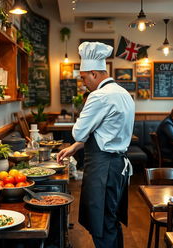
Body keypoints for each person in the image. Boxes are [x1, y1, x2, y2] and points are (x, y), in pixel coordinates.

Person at [57, 41, 135, 248]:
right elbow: (107, 133)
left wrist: (77, 138)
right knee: (110, 221)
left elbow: (78, 131)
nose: (83, 83)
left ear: (93, 73)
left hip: (104, 168)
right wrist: (76, 147)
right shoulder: (123, 93)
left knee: (101, 224)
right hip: (118, 166)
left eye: (83, 78)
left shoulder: (99, 95)